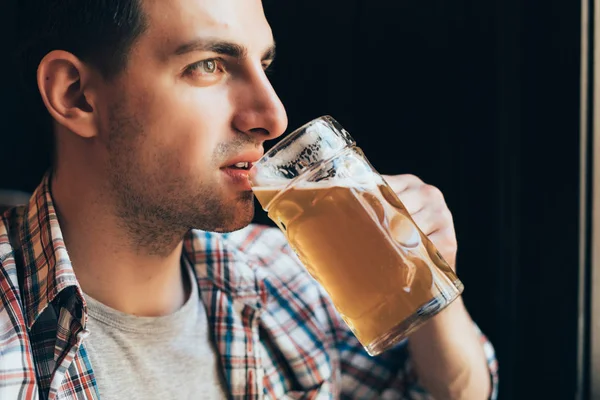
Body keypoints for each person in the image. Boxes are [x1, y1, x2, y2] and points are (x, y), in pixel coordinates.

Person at [0, 0, 498, 399]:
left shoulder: (286, 273)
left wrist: (430, 285)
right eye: (209, 66)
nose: (272, 116)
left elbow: (449, 390)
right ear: (76, 95)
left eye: (264, 64)